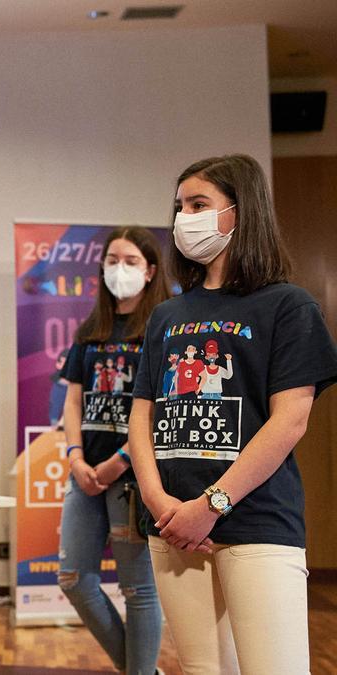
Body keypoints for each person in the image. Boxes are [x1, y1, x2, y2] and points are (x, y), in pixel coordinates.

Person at [130, 154, 337, 674]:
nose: (184, 218)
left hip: (256, 520)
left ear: (241, 214)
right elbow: (141, 417)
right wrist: (160, 502)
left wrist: (211, 504)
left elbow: (290, 421)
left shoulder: (288, 305)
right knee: (204, 670)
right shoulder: (166, 315)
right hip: (172, 525)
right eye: (179, 207)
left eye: (199, 204)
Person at [58, 227, 171, 675]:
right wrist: (75, 458)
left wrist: (119, 461)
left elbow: (164, 406)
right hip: (83, 473)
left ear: (150, 271)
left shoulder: (162, 327)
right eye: (111, 261)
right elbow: (72, 399)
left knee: (138, 589)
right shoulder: (90, 331)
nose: (118, 270)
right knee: (74, 581)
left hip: (132, 476)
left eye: (129, 261)